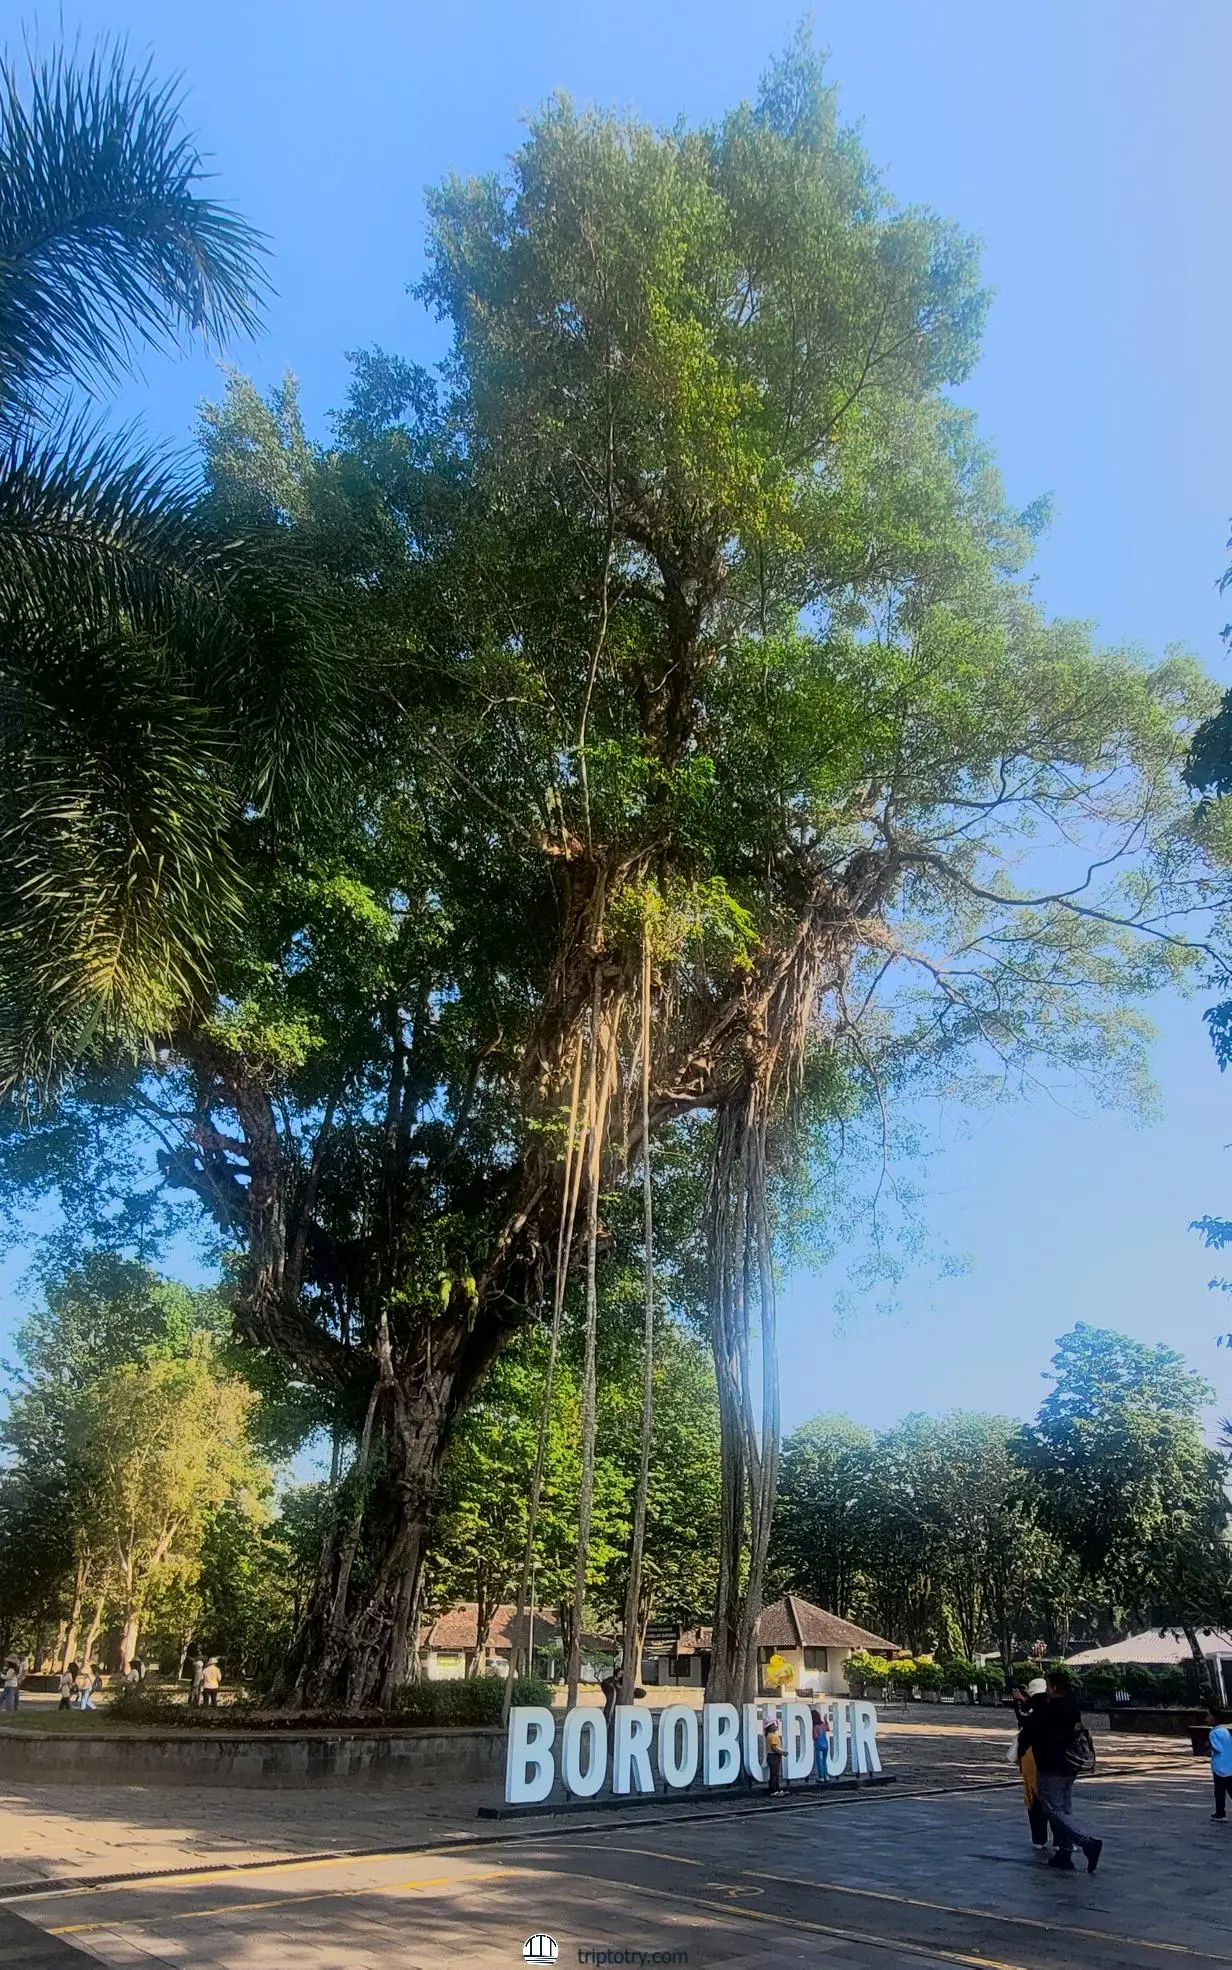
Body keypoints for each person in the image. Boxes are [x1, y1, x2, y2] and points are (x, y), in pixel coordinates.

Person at [1023, 1669, 1102, 1873]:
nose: (1046, 1690)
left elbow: (1032, 1724)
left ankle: (1086, 1842)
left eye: (1048, 1686)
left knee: (1052, 1809)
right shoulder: (1070, 1706)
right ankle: (1064, 1853)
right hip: (1069, 1765)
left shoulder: (1051, 1711)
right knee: (1065, 1808)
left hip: (1052, 1765)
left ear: (1055, 1688)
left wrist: (1028, 1704)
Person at [1011, 1677, 1051, 1853]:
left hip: (1034, 1758)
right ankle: (1061, 1839)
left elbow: (1024, 1721)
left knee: (1035, 1799)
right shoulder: (1054, 1707)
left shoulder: (1034, 1710)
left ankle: (1039, 1839)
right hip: (1056, 1759)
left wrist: (1019, 1703)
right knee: (1056, 1802)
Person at [1205, 1710, 1232, 1819]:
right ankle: (1219, 1812)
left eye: (1209, 1716)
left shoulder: (1213, 1733)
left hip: (1220, 1766)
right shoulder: (1225, 1731)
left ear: (1215, 1718)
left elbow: (1217, 1748)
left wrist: (1209, 1745)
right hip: (1229, 1763)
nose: (1206, 1719)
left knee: (1220, 1791)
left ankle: (1220, 1812)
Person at [765, 1710, 784, 1796]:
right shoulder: (772, 1736)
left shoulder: (771, 1734)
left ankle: (777, 1788)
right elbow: (773, 1747)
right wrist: (782, 1752)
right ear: (771, 1726)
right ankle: (773, 1790)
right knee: (774, 1774)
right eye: (775, 1724)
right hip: (774, 1756)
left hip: (774, 1756)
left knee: (775, 1774)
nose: (777, 1725)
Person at [810, 1705, 829, 1783]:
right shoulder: (823, 1725)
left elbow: (816, 1737)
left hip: (819, 1746)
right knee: (824, 1761)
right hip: (826, 1745)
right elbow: (828, 1728)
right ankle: (826, 1776)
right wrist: (825, 1720)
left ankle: (821, 1776)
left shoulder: (815, 1727)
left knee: (819, 1761)